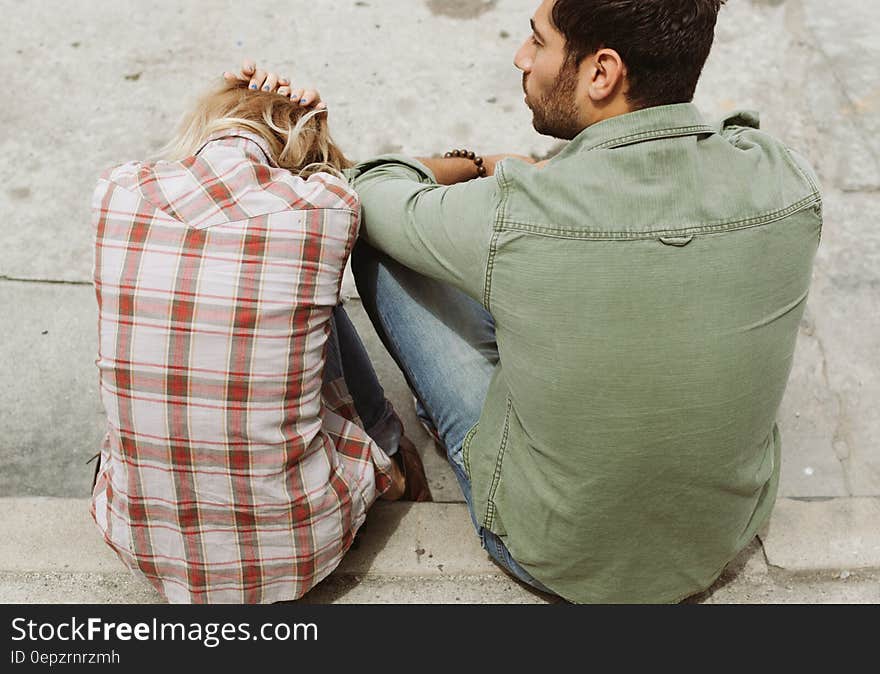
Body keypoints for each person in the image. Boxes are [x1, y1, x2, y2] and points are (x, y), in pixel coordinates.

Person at [241, 0, 822, 603]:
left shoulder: (519, 209)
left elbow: (368, 189)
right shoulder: (787, 180)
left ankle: (414, 445)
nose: (521, 58)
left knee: (387, 249)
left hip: (547, 551)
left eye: (537, 42)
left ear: (602, 73)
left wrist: (479, 165)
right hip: (718, 541)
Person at [90, 79, 430, 605]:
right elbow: (337, 183)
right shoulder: (327, 209)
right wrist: (307, 122)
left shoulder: (116, 193)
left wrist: (231, 94)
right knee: (306, 303)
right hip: (298, 551)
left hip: (142, 545)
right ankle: (393, 458)